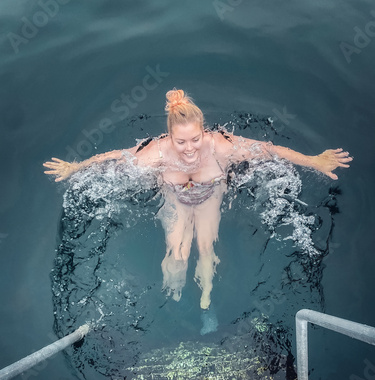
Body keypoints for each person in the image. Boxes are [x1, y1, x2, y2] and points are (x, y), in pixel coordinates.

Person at [44, 89, 352, 310]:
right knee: (177, 251)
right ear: (169, 136)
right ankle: (173, 296)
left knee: (205, 248)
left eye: (195, 139)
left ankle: (206, 297)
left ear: (203, 132)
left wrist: (313, 161)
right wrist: (75, 167)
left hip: (210, 196)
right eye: (181, 141)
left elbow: (269, 150)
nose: (190, 148)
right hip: (175, 198)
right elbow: (114, 158)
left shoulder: (221, 146)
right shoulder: (156, 153)